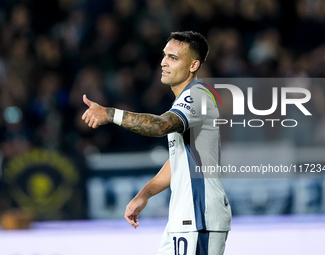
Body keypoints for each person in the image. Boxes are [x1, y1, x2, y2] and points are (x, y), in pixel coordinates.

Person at [81, 31, 232, 255]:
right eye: (164, 56)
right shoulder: (183, 101)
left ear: (193, 65)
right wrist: (145, 194)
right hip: (183, 218)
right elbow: (178, 162)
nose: (163, 62)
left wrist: (110, 114)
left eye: (173, 58)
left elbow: (160, 126)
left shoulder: (198, 96)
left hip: (200, 217)